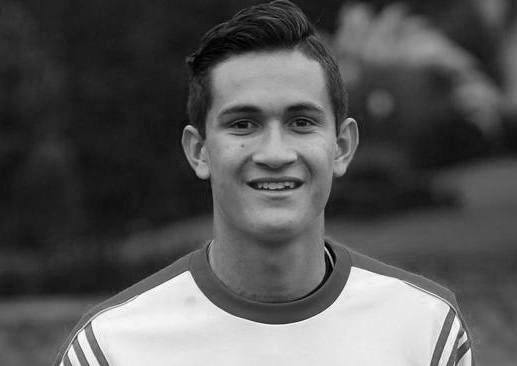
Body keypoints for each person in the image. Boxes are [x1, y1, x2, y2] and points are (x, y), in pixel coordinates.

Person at [54, 1, 473, 365]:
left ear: (342, 146)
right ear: (200, 151)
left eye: (301, 122)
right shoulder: (111, 350)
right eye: (243, 124)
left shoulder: (426, 330)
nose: (275, 153)